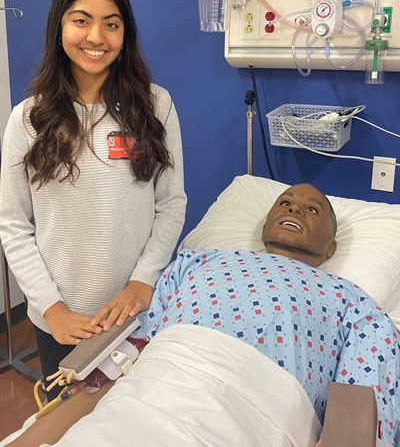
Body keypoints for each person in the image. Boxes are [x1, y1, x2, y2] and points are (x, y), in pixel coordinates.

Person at [4, 184, 399, 447]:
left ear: (331, 247)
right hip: (157, 383)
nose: (295, 207)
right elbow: (142, 339)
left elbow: (366, 403)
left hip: (254, 413)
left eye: (312, 209)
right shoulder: (199, 261)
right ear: (264, 223)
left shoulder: (354, 303)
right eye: (285, 202)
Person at [0, 0, 186, 401]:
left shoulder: (156, 107)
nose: (96, 37)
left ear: (126, 33)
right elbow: (13, 225)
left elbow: (171, 203)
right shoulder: (28, 120)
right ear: (59, 26)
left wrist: (143, 281)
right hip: (60, 320)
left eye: (111, 23)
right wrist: (51, 308)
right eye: (81, 20)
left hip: (136, 311)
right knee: (70, 420)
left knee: (134, 417)